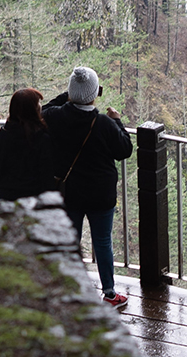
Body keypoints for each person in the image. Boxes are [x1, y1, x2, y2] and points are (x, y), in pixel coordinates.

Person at [44, 66, 133, 307]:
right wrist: (119, 122)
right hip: (100, 195)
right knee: (102, 241)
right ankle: (110, 293)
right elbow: (125, 149)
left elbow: (43, 109)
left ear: (72, 92)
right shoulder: (104, 123)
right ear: (94, 94)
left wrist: (69, 95)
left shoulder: (56, 117)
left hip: (69, 192)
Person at [0, 88, 55, 201]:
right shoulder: (41, 138)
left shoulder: (4, 134)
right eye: (38, 103)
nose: (41, 106)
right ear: (33, 110)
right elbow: (46, 174)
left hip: (7, 196)